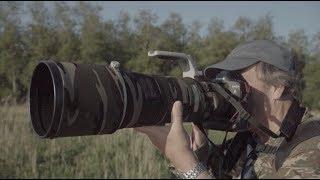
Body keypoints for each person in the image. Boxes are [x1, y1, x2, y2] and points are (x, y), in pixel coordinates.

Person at [134, 40, 320, 179]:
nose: (229, 90)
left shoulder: (312, 145)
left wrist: (189, 166)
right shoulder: (249, 140)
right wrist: (200, 154)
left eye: (237, 78)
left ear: (277, 87)